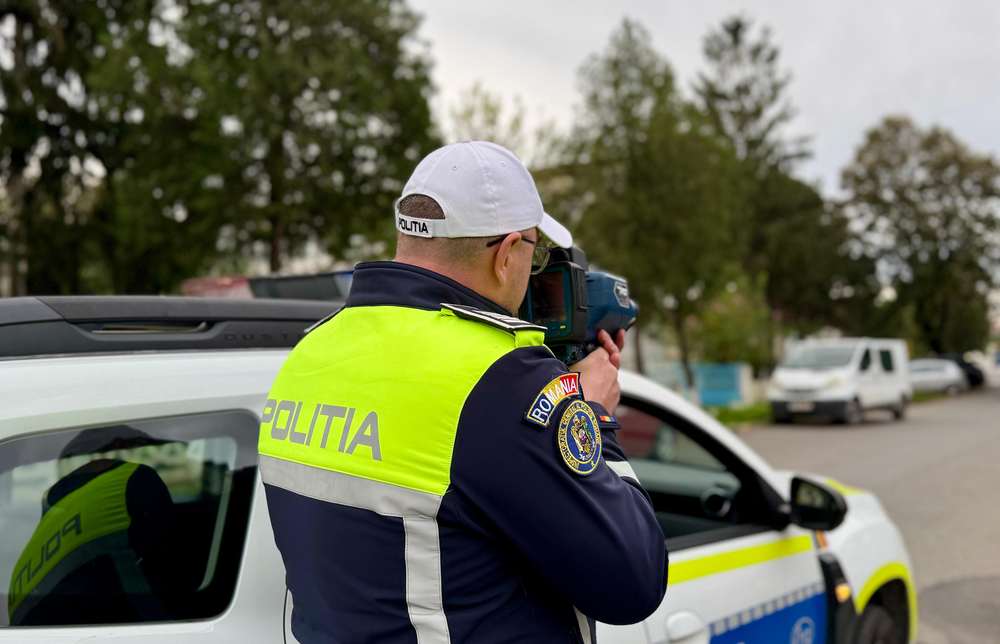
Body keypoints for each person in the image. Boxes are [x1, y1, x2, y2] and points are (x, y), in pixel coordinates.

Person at [258, 141, 667, 644]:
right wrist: (594, 419)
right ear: (505, 254)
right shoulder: (502, 378)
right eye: (534, 253)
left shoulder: (311, 350)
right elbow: (634, 582)